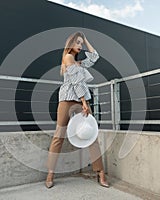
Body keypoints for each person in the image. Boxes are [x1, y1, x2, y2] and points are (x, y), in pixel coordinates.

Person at [45, 31, 109, 189]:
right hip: (68, 99)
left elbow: (94, 56)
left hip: (81, 100)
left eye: (81, 43)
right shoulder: (68, 58)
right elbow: (76, 82)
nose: (80, 46)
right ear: (70, 43)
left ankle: (100, 172)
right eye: (77, 42)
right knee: (59, 136)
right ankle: (50, 173)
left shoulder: (78, 62)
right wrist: (84, 102)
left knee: (91, 135)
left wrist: (86, 39)